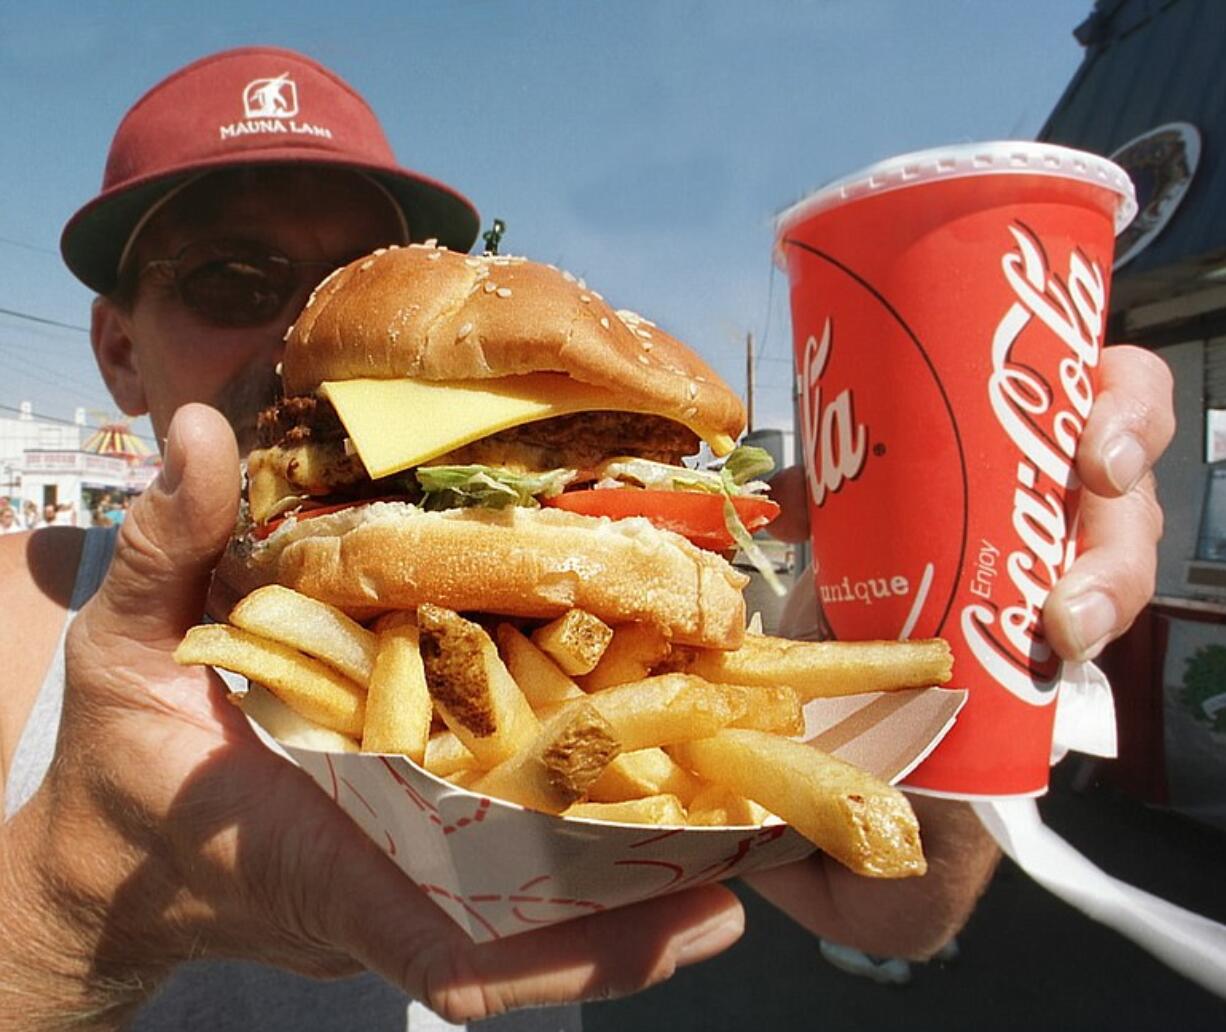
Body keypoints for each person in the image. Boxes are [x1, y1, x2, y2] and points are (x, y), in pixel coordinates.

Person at [0, 45, 1174, 1032]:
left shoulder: (632, 640)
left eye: (362, 271)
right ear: (115, 348)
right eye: (233, 275)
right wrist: (70, 908)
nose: (307, 327)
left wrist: (979, 561)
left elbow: (892, 909)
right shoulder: (15, 626)